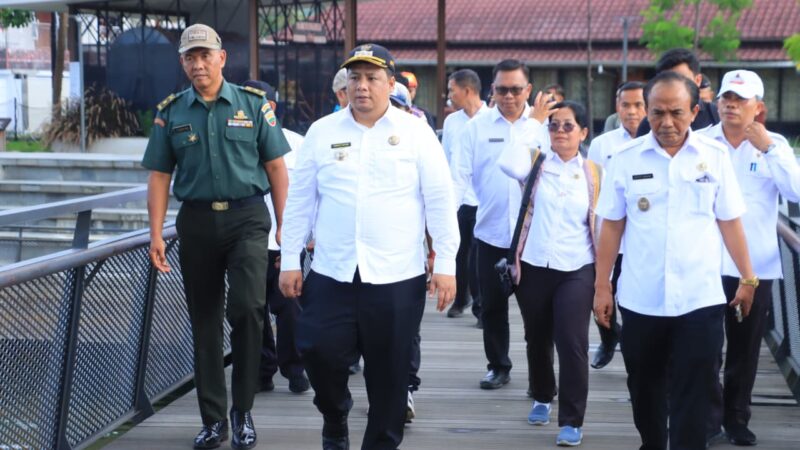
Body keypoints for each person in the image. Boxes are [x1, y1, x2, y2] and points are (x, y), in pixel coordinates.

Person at [279, 43, 459, 450]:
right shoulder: (322, 131)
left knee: (390, 376)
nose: (361, 86)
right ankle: (335, 415)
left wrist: (446, 262)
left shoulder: (415, 132)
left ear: (390, 84)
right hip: (332, 271)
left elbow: (439, 199)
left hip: (397, 275)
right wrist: (290, 258)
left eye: (372, 78)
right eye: (355, 77)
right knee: (317, 351)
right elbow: (301, 200)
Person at [143, 24, 290, 450]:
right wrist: (156, 233)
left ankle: (242, 410)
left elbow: (276, 168)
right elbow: (159, 176)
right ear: (182, 63)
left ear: (222, 58)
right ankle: (213, 420)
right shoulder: (171, 112)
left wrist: (286, 225)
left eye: (205, 55)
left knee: (247, 309)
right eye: (190, 57)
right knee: (205, 321)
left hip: (247, 219)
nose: (198, 64)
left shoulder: (253, 105)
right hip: (197, 222)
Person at [593, 71, 756, 450]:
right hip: (641, 299)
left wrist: (748, 278)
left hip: (699, 299)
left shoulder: (714, 157)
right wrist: (602, 286)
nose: (666, 122)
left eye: (677, 113)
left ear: (695, 112)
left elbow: (730, 222)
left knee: (696, 390)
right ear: (647, 112)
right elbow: (611, 226)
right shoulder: (626, 159)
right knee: (644, 387)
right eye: (658, 113)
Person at [701, 70, 800, 446]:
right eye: (726, 97)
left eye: (740, 99)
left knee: (745, 348)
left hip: (754, 267)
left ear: (758, 107)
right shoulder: (701, 142)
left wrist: (770, 149)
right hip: (706, 263)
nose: (730, 105)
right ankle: (708, 419)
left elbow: (796, 192)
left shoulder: (775, 145)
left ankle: (736, 418)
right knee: (705, 347)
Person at [498, 101, 602, 447]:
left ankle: (572, 420)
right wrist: (534, 121)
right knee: (537, 336)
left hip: (577, 267)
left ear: (583, 132)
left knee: (572, 342)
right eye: (554, 125)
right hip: (533, 264)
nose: (559, 132)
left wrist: (606, 277)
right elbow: (507, 162)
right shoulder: (535, 163)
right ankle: (542, 394)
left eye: (568, 126)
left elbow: (604, 225)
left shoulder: (594, 174)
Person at [451, 59, 550, 390]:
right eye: (502, 89)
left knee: (538, 312)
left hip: (533, 236)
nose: (508, 96)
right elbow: (458, 177)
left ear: (528, 90)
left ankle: (541, 377)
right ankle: (498, 365)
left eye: (515, 89)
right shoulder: (476, 128)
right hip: (491, 232)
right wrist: (445, 226)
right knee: (492, 308)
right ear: (491, 89)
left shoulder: (544, 127)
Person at [241, 79, 310, 395]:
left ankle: (294, 369)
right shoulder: (235, 144)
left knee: (290, 307)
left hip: (286, 241)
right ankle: (263, 370)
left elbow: (311, 193)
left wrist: (307, 236)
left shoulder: (297, 144)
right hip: (246, 242)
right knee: (252, 310)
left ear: (272, 107)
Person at [585, 81, 646, 370]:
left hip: (642, 239)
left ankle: (637, 352)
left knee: (633, 301)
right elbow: (592, 189)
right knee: (598, 292)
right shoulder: (602, 144)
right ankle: (609, 339)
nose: (632, 111)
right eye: (626, 105)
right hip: (608, 237)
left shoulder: (659, 141)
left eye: (638, 105)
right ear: (617, 107)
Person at [442, 68, 488, 322]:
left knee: (480, 257)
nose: (449, 95)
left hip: (484, 199)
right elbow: (445, 159)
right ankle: (461, 299)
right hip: (458, 198)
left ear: (467, 90)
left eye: (452, 90)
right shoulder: (451, 122)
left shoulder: (491, 119)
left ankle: (481, 307)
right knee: (459, 252)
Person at [636, 48, 719, 136]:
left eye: (682, 79)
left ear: (698, 80)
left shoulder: (715, 115)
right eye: (668, 80)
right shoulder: (648, 124)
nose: (667, 123)